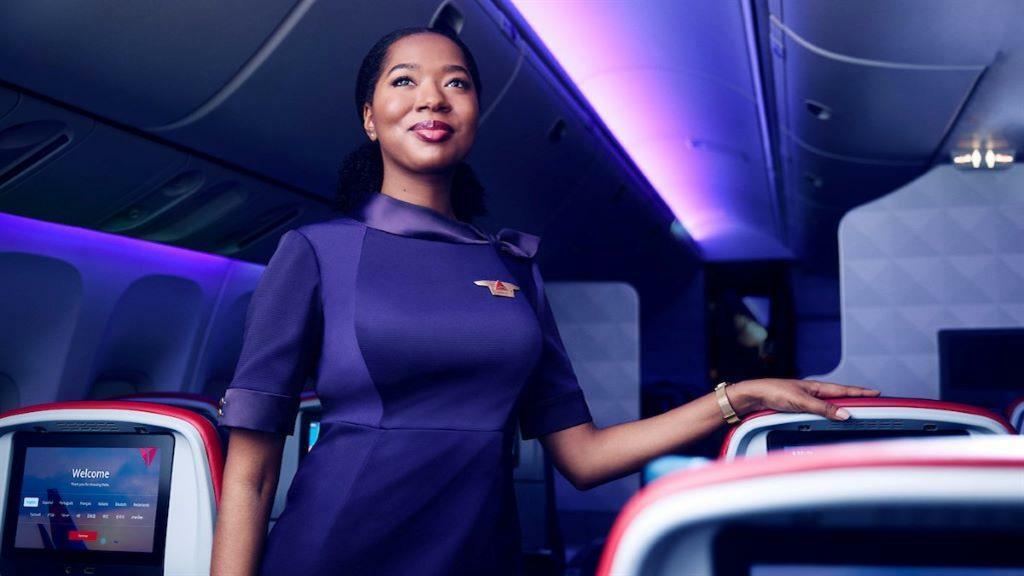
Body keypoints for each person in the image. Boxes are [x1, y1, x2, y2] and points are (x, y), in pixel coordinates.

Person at [209, 26, 880, 576]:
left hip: (481, 556)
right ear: (369, 118)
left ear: (476, 114)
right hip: (335, 553)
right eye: (404, 80)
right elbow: (250, 477)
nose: (433, 99)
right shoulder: (316, 252)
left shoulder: (512, 265)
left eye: (457, 83)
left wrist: (740, 397)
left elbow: (583, 458)